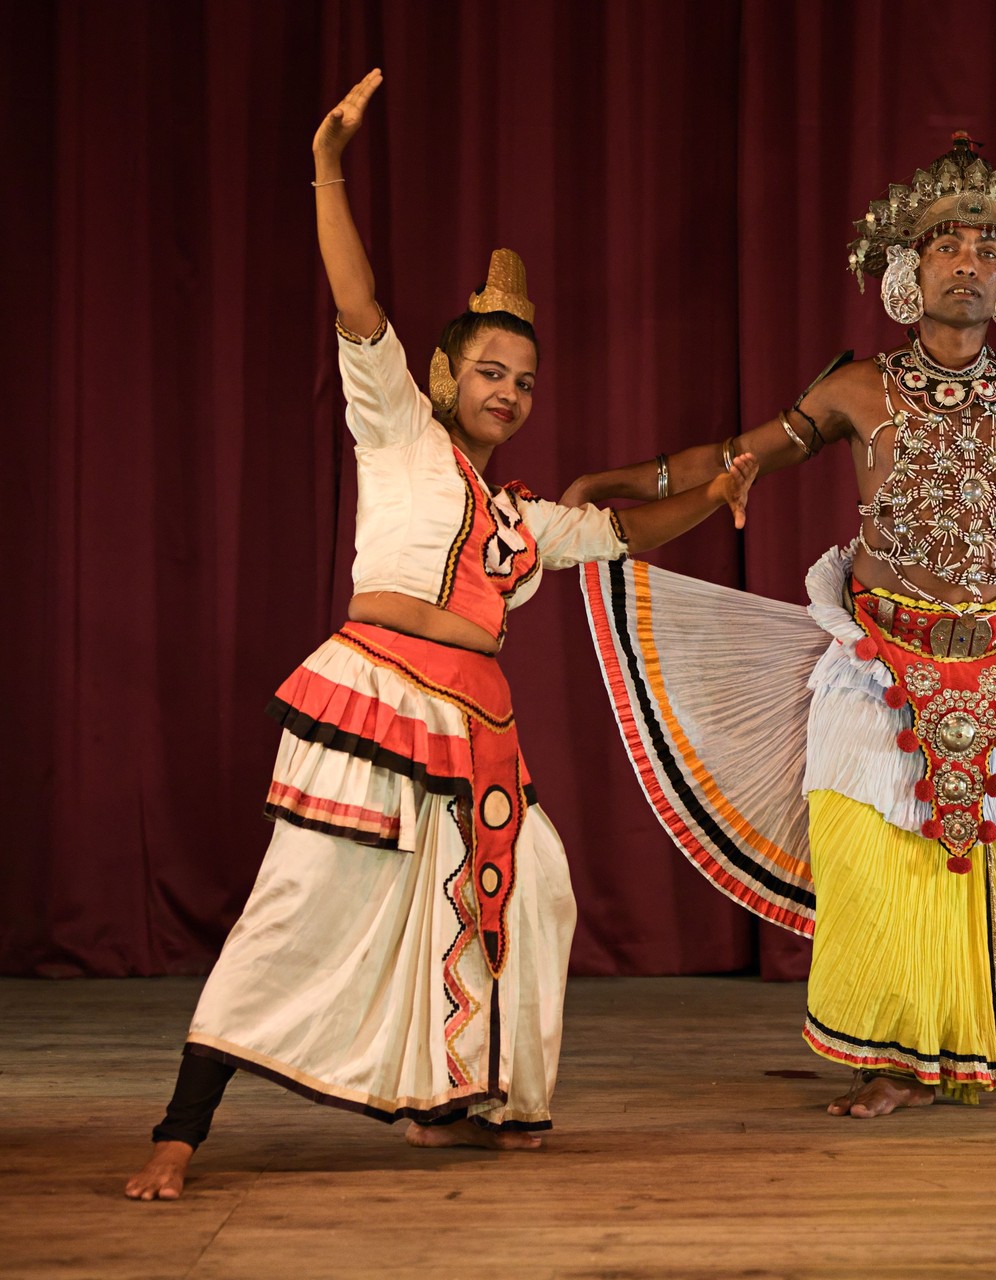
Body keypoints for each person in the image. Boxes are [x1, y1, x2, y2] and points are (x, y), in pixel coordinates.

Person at [124, 69, 758, 1201]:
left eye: (522, 380)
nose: (508, 392)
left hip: (473, 734)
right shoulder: (397, 434)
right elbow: (357, 299)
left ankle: (472, 1102)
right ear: (441, 374)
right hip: (374, 704)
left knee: (541, 882)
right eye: (489, 371)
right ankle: (180, 1128)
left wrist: (719, 492)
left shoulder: (523, 519)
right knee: (297, 901)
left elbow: (623, 530)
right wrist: (328, 166)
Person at [566, 133, 996, 1117]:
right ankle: (886, 1058)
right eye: (946, 244)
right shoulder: (857, 388)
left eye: (986, 247)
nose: (967, 260)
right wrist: (609, 493)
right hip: (879, 659)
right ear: (908, 267)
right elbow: (732, 455)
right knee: (872, 858)